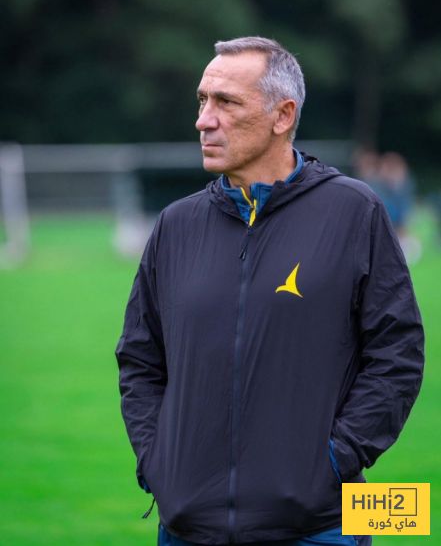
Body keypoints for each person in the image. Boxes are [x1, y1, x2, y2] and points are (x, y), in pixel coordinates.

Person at [115, 37, 425, 546]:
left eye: (226, 102)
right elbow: (140, 360)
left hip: (323, 526)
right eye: (202, 100)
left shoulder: (354, 211)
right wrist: (158, 463)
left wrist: (336, 459)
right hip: (188, 528)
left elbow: (397, 354)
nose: (204, 120)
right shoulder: (175, 225)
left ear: (283, 116)